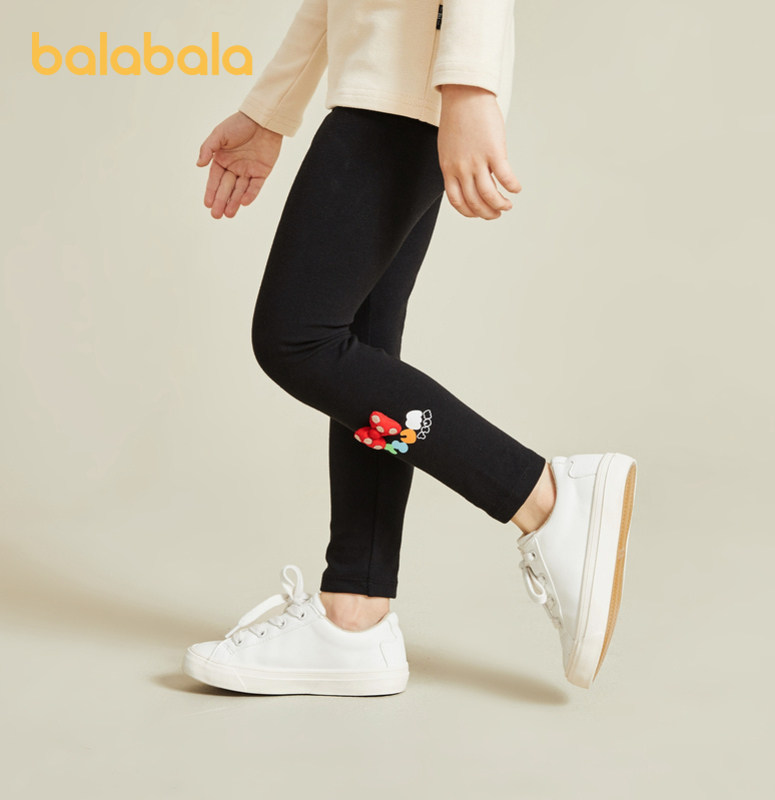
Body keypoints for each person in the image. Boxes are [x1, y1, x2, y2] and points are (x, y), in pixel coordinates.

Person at [182, 0, 638, 695]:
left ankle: (545, 498)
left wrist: (469, 86)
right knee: (361, 349)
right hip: (387, 83)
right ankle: (354, 618)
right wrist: (271, 109)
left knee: (297, 340)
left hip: (399, 89)